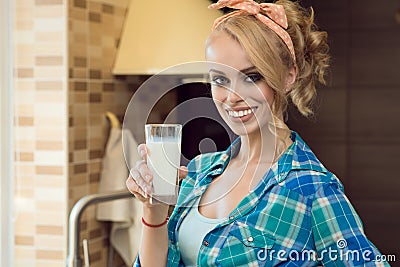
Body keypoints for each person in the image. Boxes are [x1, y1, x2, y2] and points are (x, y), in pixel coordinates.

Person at [126, 0, 389, 266]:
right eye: (220, 79)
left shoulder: (310, 188)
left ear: (288, 76)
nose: (232, 97)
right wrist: (154, 208)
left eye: (252, 77)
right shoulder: (198, 172)